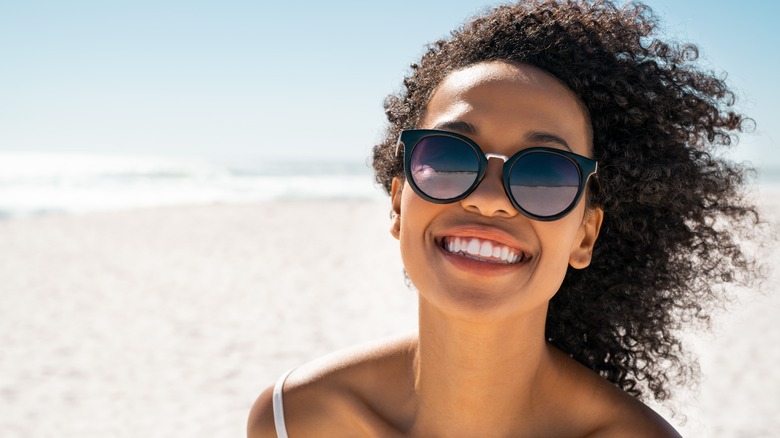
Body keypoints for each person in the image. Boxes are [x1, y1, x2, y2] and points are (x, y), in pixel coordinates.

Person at [248, 1, 760, 436]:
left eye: (544, 173)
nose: (491, 200)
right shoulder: (295, 419)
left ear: (585, 234)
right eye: (450, 158)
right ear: (399, 200)